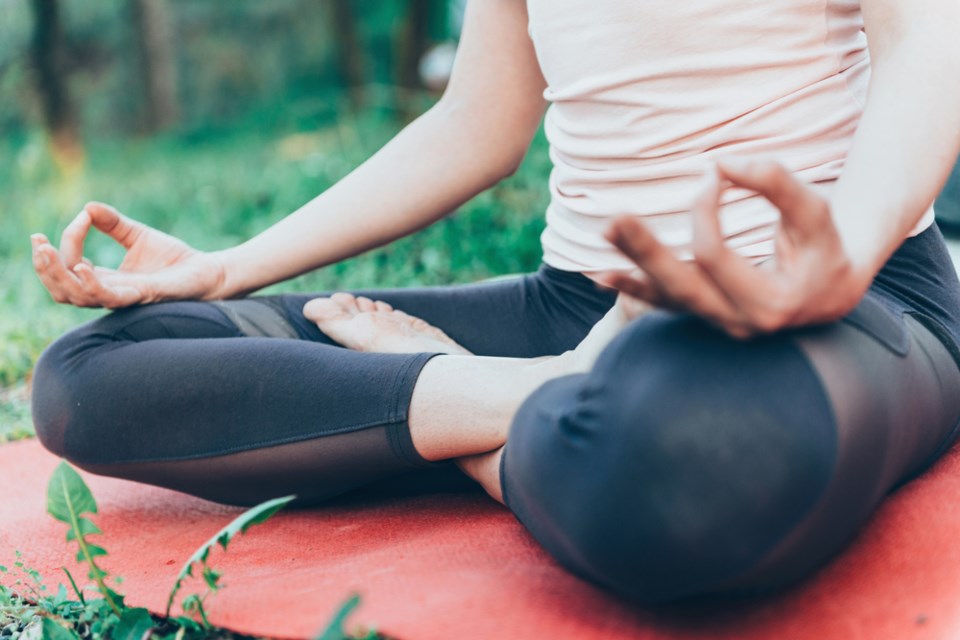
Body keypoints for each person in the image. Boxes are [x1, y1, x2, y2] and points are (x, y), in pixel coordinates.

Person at [29, 0, 960, 604]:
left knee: (691, 471)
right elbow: (479, 122)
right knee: (90, 375)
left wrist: (840, 252)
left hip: (841, 303)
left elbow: (931, 39)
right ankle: (545, 392)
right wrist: (229, 269)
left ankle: (483, 420)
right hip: (575, 314)